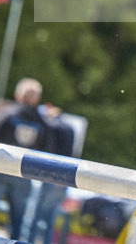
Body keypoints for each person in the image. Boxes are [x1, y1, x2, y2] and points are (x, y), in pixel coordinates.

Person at [0, 77, 52, 238]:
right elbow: (47, 148)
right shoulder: (42, 122)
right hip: (23, 173)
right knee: (18, 221)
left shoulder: (7, 113)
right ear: (37, 98)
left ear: (18, 95)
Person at [27, 103, 76, 243]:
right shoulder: (70, 128)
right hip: (63, 178)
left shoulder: (49, 127)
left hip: (48, 175)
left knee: (35, 216)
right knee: (50, 219)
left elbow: (48, 150)